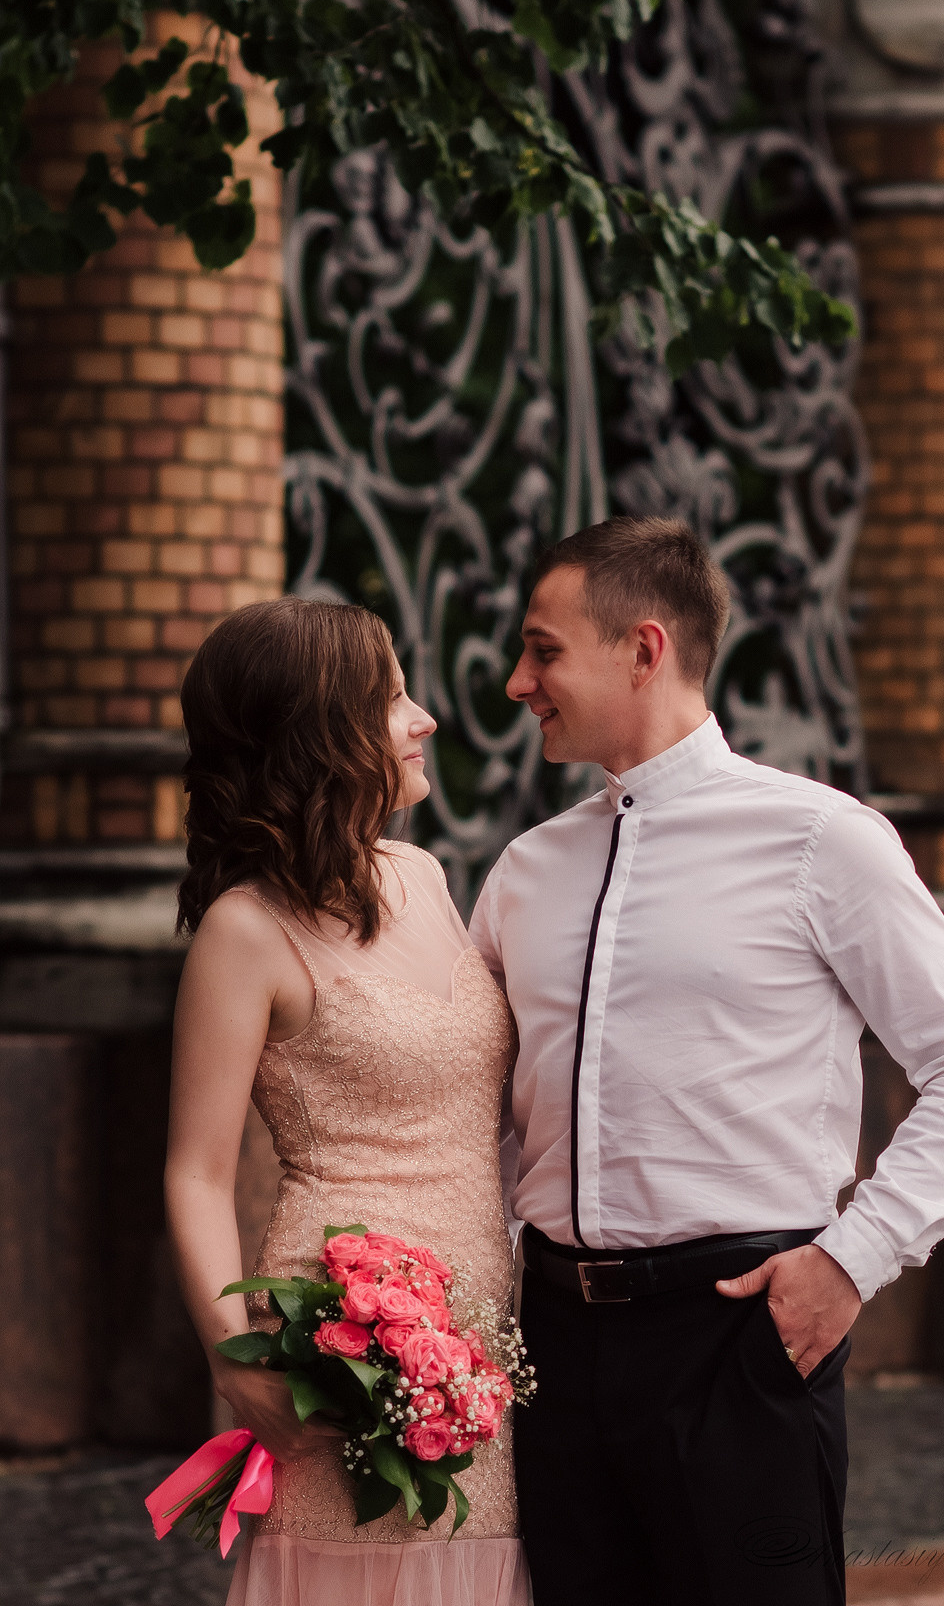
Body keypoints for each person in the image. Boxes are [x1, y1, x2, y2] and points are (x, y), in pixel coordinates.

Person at [469, 516, 944, 1606]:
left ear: (643, 649)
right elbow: (486, 1106)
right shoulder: (523, 872)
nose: (515, 682)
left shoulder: (822, 840)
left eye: (542, 650)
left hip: (740, 1334)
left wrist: (850, 1261)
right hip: (554, 1349)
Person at [165, 598, 528, 1606]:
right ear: (319, 731)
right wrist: (231, 1365)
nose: (426, 720)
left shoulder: (422, 874)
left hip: (478, 1331)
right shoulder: (244, 931)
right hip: (342, 1342)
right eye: (393, 699)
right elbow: (194, 1170)